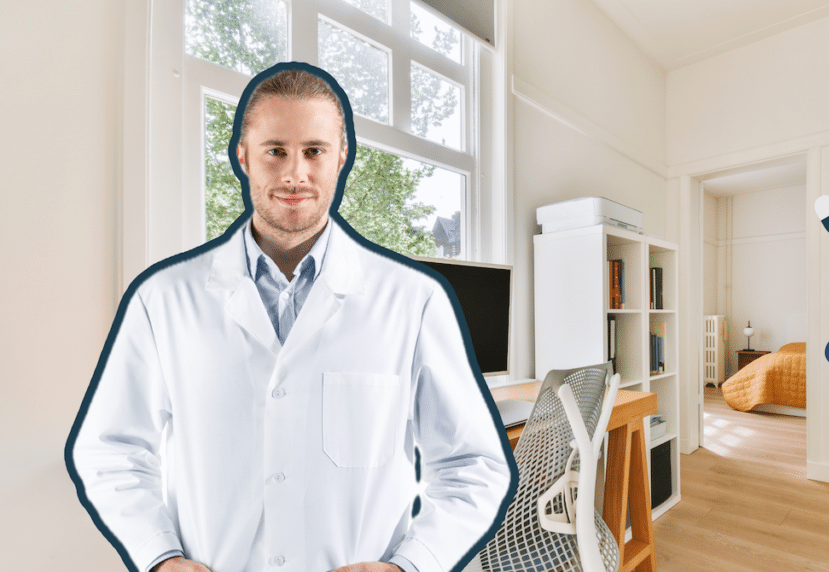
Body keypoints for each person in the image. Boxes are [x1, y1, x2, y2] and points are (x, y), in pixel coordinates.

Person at [68, 63, 515, 572]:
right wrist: (159, 556)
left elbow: (472, 467)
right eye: (275, 150)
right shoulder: (163, 299)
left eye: (314, 151)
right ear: (243, 157)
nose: (294, 174)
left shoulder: (413, 300)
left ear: (341, 157)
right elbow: (111, 450)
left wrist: (410, 565)